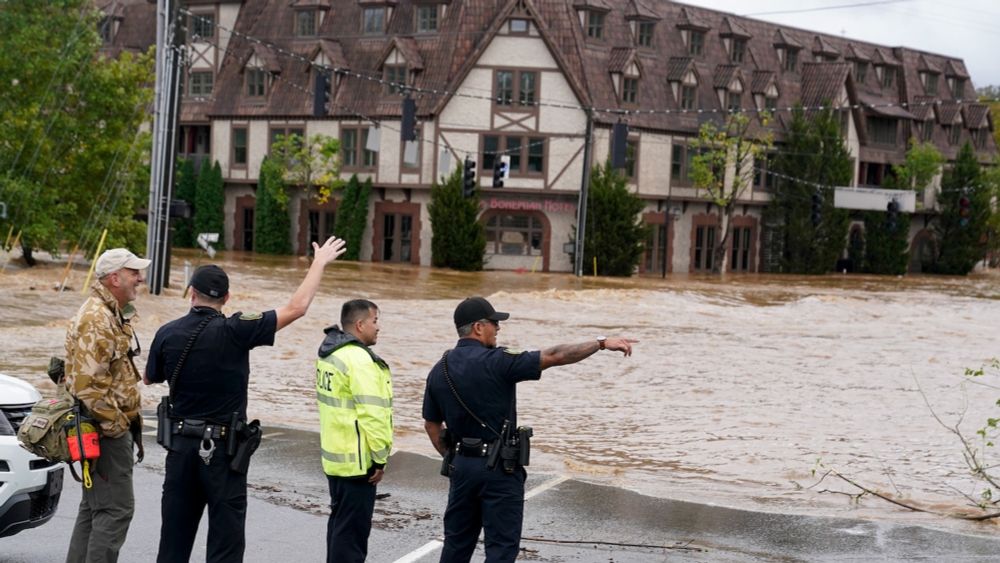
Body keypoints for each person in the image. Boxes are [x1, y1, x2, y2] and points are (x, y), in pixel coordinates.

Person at [144, 236, 346, 563]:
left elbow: (149, 378)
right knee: (226, 546)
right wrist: (319, 261)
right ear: (226, 298)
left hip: (180, 451)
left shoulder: (166, 332)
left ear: (190, 293)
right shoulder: (237, 330)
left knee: (173, 546)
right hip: (223, 454)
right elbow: (297, 308)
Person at [422, 296, 634, 563]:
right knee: (500, 550)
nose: (498, 328)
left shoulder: (438, 370)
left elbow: (431, 425)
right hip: (499, 470)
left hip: (462, 468)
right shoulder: (498, 361)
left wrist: (454, 458)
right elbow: (555, 355)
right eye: (494, 323)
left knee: (456, 545)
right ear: (478, 327)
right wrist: (601, 343)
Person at [64, 247, 151, 563]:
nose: (139, 278)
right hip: (104, 429)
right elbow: (89, 388)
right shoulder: (98, 318)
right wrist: (117, 428)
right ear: (115, 278)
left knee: (95, 509)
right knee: (115, 511)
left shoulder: (109, 311)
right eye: (133, 273)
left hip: (101, 427)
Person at [315, 299, 393, 563]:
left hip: (335, 458)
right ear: (360, 325)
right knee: (352, 537)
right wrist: (380, 458)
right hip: (358, 463)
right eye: (375, 321)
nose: (378, 327)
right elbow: (374, 414)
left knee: (339, 527)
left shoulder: (330, 354)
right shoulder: (358, 360)